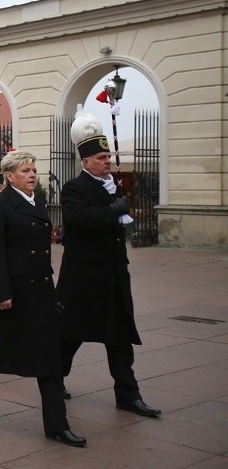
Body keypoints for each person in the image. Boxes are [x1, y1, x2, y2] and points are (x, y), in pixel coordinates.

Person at [0, 150, 86, 447]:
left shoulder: (37, 203)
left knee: (48, 356)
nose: (32, 175)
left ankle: (56, 424)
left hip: (38, 291)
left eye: (33, 170)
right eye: (26, 170)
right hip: (8, 290)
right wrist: (2, 293)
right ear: (10, 175)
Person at [56, 107, 160, 417]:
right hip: (84, 277)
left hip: (113, 275)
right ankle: (54, 378)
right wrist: (113, 209)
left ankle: (128, 394)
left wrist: (120, 207)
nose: (107, 162)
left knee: (119, 338)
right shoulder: (74, 188)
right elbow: (76, 220)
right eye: (101, 159)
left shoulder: (111, 185)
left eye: (108, 158)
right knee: (70, 335)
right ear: (86, 162)